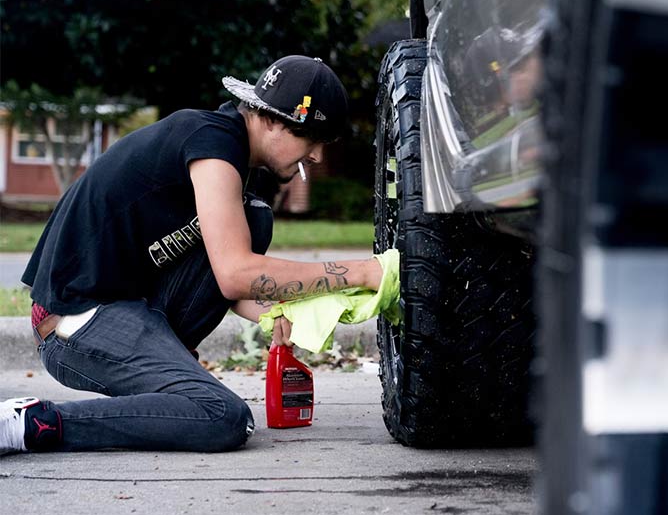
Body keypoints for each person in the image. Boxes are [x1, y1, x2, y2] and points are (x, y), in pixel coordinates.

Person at [2, 55, 386, 455]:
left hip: (130, 305)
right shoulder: (213, 142)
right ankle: (29, 424)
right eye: (313, 139)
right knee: (221, 416)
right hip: (74, 319)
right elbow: (236, 273)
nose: (318, 156)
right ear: (272, 120)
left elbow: (227, 277)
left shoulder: (235, 157)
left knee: (255, 220)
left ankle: (166, 385)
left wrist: (277, 311)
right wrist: (359, 273)